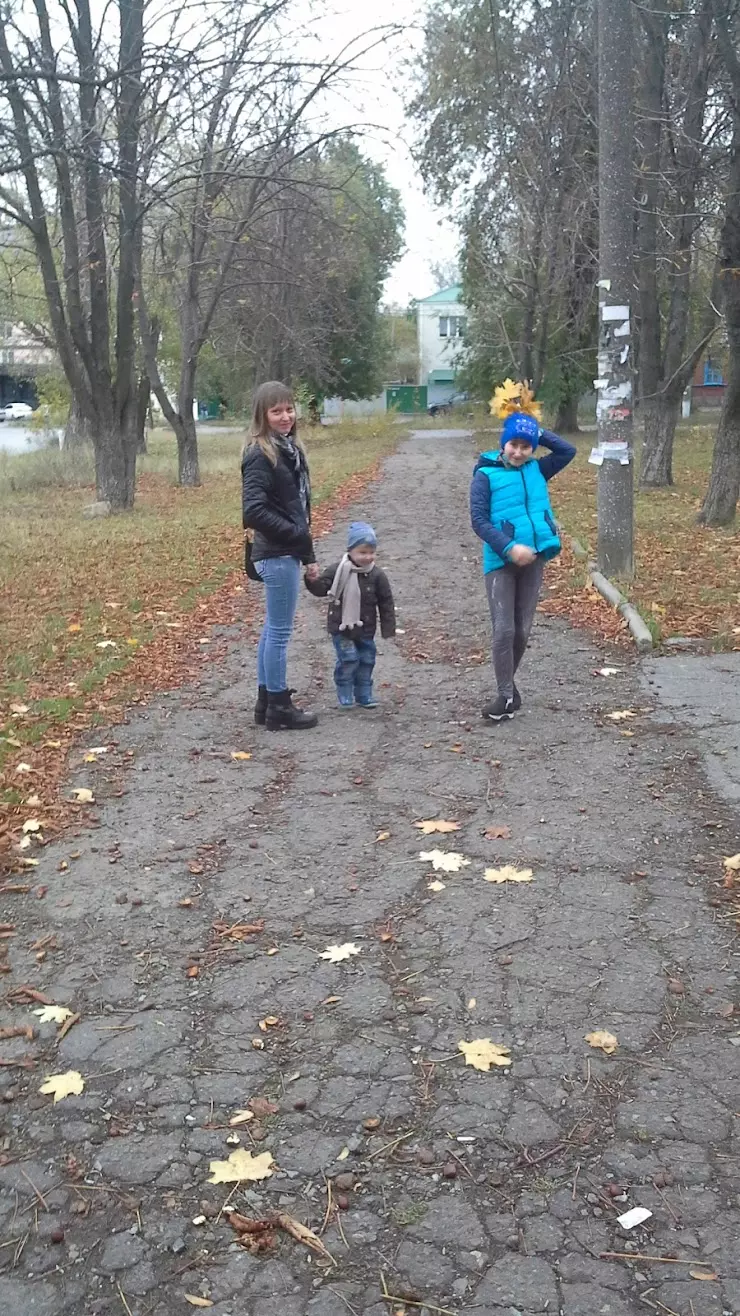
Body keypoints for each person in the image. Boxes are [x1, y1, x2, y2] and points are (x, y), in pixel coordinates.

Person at [470, 405, 576, 722]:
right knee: (504, 629)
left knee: (522, 632)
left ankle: (507, 688)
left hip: (534, 558)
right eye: (513, 444)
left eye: (525, 446)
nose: (518, 452)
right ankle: (505, 696)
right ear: (503, 444)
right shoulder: (485, 474)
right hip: (501, 562)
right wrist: (509, 547)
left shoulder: (537, 470)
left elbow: (568, 450)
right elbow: (478, 521)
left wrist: (535, 429)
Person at [242, 381, 319, 731]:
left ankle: (264, 703)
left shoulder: (288, 450)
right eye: (276, 411)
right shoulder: (261, 455)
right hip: (275, 554)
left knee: (272, 630)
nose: (285, 416)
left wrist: (307, 551)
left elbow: (297, 508)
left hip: (283, 553)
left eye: (289, 409)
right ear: (263, 415)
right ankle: (279, 706)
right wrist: (296, 537)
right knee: (280, 632)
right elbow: (253, 512)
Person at [305, 521, 396, 708]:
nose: (367, 557)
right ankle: (344, 690)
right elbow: (322, 589)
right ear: (351, 550)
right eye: (362, 552)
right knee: (349, 659)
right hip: (341, 626)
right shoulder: (338, 570)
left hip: (366, 628)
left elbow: (386, 602)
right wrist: (312, 581)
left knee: (366, 661)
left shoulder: (377, 575)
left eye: (371, 552)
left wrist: (388, 627)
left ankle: (364, 694)